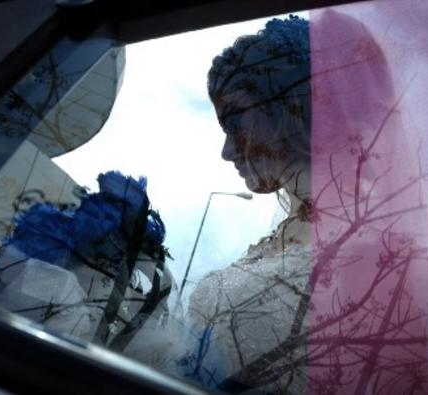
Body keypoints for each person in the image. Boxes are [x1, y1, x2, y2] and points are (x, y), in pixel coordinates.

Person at [188, 15, 313, 394]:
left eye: (235, 123)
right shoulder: (292, 230)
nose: (227, 152)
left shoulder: (369, 248)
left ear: (290, 110)